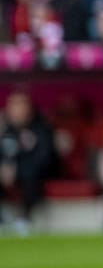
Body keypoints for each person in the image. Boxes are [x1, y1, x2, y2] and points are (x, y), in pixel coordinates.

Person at [0, 92, 55, 234]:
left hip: (34, 172)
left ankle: (25, 218)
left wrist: (17, 168)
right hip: (8, 172)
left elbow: (45, 157)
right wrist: (5, 165)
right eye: (13, 105)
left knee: (29, 175)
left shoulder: (40, 128)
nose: (17, 109)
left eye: (21, 104)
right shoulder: (5, 129)